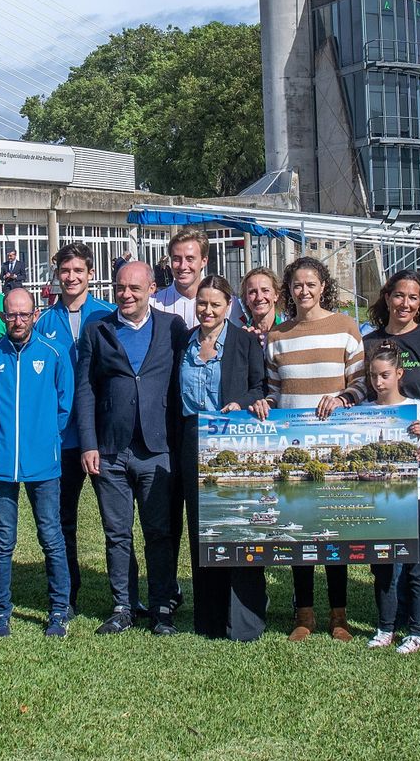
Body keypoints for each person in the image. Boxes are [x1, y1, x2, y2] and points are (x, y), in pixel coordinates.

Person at [327, 271, 420, 640]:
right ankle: (390, 617)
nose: (405, 304)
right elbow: (355, 390)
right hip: (382, 452)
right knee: (386, 529)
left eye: (413, 298)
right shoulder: (368, 342)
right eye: (399, 296)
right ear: (388, 297)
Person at [74, 260, 188, 635]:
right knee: (116, 532)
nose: (125, 294)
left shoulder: (173, 327)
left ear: (151, 289)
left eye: (134, 289)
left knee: (159, 532)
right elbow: (85, 389)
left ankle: (161, 606)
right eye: (120, 287)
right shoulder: (97, 329)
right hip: (110, 451)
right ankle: (123, 604)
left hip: (157, 449)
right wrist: (89, 443)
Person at [255, 255, 363, 642]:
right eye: (297, 285)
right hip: (290, 447)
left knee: (333, 533)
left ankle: (339, 616)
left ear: (323, 287)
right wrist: (264, 403)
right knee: (297, 532)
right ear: (290, 290)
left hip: (334, 446)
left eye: (311, 284)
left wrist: (343, 398)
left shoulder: (346, 327)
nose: (304, 291)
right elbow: (272, 389)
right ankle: (304, 614)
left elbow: (361, 383)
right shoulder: (278, 336)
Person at [176, 275, 268, 642]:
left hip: (233, 443)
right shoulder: (184, 341)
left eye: (215, 304)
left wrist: (242, 403)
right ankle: (210, 619)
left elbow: (261, 386)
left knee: (240, 528)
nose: (208, 310)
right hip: (191, 443)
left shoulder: (245, 341)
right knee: (204, 533)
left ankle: (244, 621)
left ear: (229, 306)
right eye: (202, 303)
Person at [0, 286, 75, 637]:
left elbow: (65, 405)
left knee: (51, 536)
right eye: (11, 314)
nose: (18, 321)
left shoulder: (54, 352)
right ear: (3, 316)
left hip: (43, 464)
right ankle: (0, 610)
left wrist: (46, 438)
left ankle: (59, 610)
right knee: (2, 540)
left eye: (25, 314)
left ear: (36, 315)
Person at [33, 242, 117, 618]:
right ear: (57, 274)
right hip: (62, 440)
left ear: (90, 274)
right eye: (65, 271)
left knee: (115, 523)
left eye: (78, 271)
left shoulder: (109, 315)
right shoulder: (43, 323)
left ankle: (125, 596)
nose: (71, 278)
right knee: (62, 520)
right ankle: (67, 595)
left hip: (103, 437)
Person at [361, 342, 420, 655]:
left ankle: (416, 631)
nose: (379, 382)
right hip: (382, 500)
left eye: (385, 375)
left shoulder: (418, 410)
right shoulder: (364, 411)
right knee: (383, 568)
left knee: (416, 566)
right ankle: (385, 627)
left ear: (399, 374)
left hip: (416, 497)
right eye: (374, 376)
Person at [150, 227, 210, 328]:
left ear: (204, 261)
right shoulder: (152, 304)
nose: (182, 266)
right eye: (176, 259)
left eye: (190, 259)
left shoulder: (228, 306)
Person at [236, 266, 285, 341]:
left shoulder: (288, 332)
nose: (259, 297)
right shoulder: (240, 337)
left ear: (276, 295)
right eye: (252, 292)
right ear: (246, 299)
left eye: (265, 290)